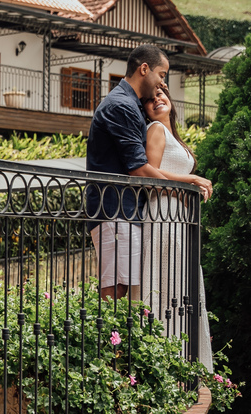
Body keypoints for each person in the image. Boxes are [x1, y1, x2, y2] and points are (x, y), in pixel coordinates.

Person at [86, 44, 171, 300]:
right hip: (115, 209)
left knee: (123, 286)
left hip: (124, 210)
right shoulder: (121, 105)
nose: (161, 84)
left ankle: (115, 339)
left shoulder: (130, 104)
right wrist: (181, 188)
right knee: (115, 289)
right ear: (144, 68)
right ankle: (104, 340)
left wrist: (154, 95)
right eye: (162, 75)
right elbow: (138, 169)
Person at [142, 84, 214, 370]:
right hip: (163, 214)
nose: (156, 101)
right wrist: (191, 181)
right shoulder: (155, 130)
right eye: (149, 100)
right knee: (164, 282)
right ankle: (163, 360)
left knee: (178, 285)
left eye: (160, 95)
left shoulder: (172, 135)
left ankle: (180, 359)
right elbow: (151, 173)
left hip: (177, 216)